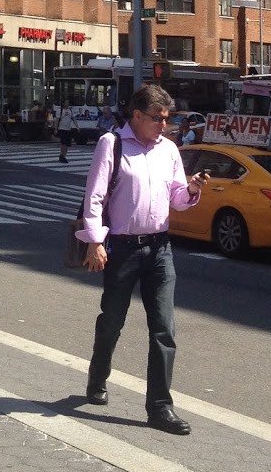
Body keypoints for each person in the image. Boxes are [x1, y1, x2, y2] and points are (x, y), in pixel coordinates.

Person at [76, 82, 207, 435]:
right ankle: (98, 375)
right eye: (157, 118)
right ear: (136, 116)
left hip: (160, 248)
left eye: (167, 119)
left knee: (164, 328)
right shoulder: (112, 144)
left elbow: (177, 198)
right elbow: (95, 197)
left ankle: (160, 407)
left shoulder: (169, 150)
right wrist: (94, 241)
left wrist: (191, 189)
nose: (163, 125)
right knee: (112, 321)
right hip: (121, 247)